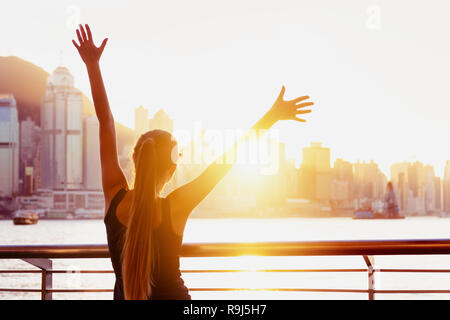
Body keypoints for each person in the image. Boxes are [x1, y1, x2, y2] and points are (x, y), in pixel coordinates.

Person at [72, 24, 314, 300]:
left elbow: (106, 123)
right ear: (173, 167)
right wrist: (271, 117)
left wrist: (92, 65)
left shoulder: (114, 197)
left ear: (135, 158)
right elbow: (226, 162)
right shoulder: (176, 206)